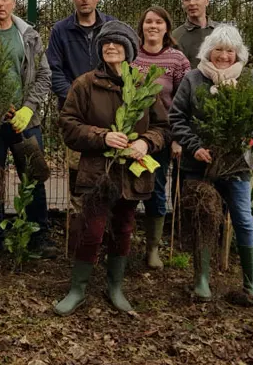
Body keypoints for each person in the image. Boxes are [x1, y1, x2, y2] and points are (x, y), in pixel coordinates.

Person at [56, 21, 169, 316]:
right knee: (91, 230)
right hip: (97, 172)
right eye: (106, 43)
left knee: (124, 228)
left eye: (117, 43)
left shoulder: (144, 86)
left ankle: (115, 287)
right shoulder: (84, 84)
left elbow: (162, 128)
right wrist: (102, 136)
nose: (110, 47)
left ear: (129, 50)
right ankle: (78, 288)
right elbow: (68, 126)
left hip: (131, 174)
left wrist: (146, 143)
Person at [169, 24, 253, 303]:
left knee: (243, 218)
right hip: (197, 164)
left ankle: (251, 283)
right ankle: (201, 280)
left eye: (230, 50)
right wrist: (196, 147)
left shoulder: (250, 81)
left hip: (236, 164)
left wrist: (250, 141)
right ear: (208, 51)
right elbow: (176, 118)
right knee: (203, 217)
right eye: (218, 49)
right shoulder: (192, 80)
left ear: (238, 54)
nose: (223, 56)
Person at [0, 0, 57, 260]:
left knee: (33, 176)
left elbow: (44, 75)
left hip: (25, 121)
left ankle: (39, 235)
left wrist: (28, 108)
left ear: (14, 1)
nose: (0, 4)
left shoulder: (29, 35)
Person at [130, 7, 190, 269]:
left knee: (155, 190)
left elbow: (184, 102)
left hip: (162, 137)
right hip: (130, 136)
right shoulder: (131, 55)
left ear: (167, 27)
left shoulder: (177, 60)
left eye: (158, 22)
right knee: (127, 189)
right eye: (148, 22)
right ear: (141, 26)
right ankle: (125, 241)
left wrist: (178, 138)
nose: (152, 26)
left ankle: (152, 248)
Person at [46, 0, 116, 110]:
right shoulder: (60, 30)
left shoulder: (112, 26)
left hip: (108, 106)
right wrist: (74, 97)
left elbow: (122, 66)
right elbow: (53, 70)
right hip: (72, 108)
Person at [171, 0, 218, 69]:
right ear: (183, 3)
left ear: (207, 1)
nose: (192, 3)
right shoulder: (175, 37)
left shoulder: (222, 32)